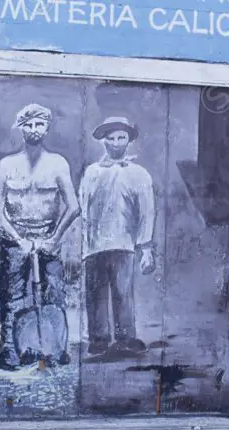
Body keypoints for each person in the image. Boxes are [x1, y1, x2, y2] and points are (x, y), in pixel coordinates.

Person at [0, 103, 79, 370]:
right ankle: (9, 350)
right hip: (14, 240)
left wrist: (53, 239)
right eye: (28, 125)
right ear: (21, 129)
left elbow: (73, 206)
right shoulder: (6, 165)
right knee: (12, 296)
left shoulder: (57, 164)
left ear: (46, 128)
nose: (33, 129)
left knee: (53, 293)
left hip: (48, 239)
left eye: (39, 124)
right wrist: (18, 238)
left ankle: (56, 347)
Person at [79, 116, 155, 356]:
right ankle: (98, 338)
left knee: (123, 291)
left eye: (120, 137)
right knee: (95, 292)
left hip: (124, 243)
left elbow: (146, 212)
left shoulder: (139, 174)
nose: (115, 142)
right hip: (94, 245)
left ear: (128, 140)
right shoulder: (91, 172)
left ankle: (125, 337)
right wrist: (82, 244)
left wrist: (146, 248)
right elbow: (83, 208)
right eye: (110, 138)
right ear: (103, 141)